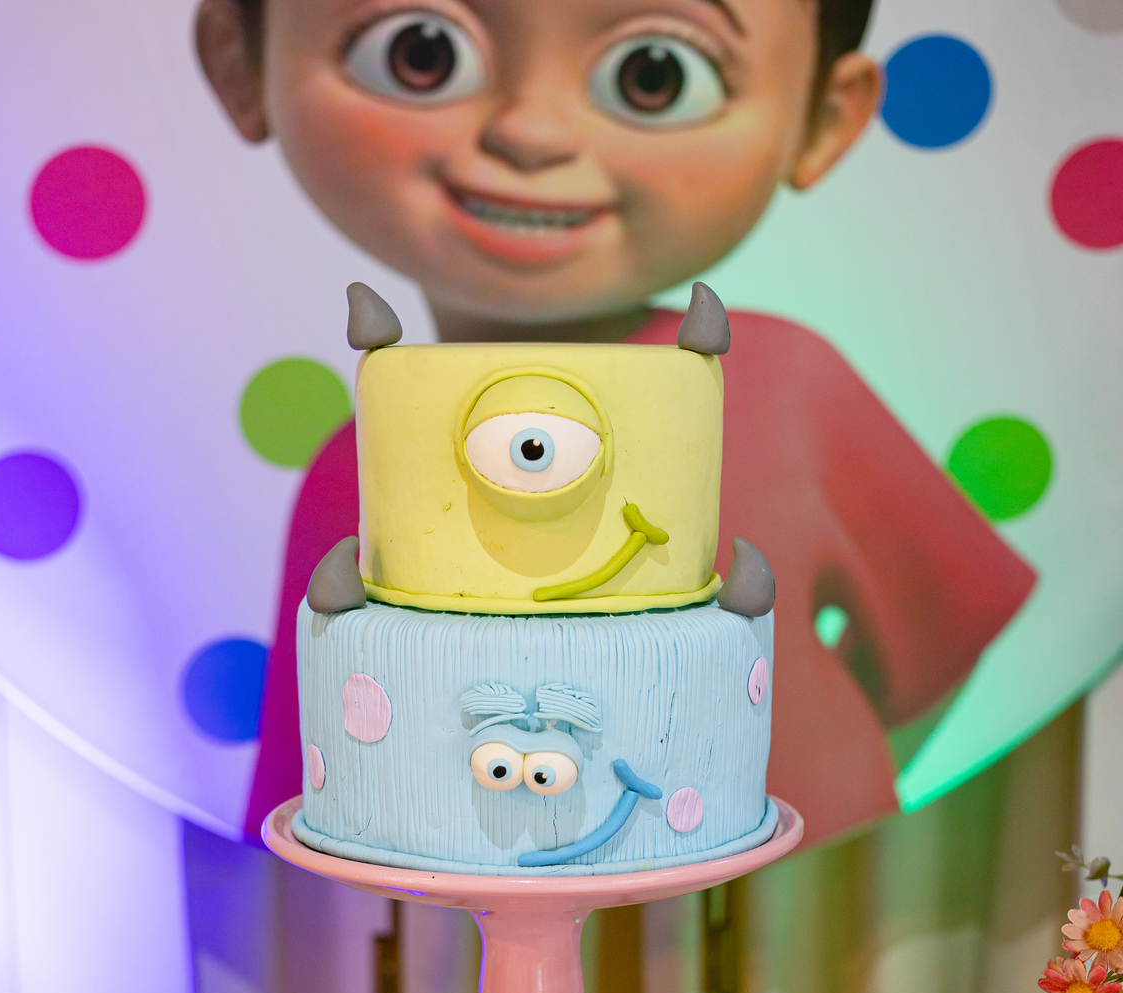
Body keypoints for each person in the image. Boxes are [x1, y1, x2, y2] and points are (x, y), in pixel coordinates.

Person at [195, 0, 1034, 846]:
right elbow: (312, 779)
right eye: (422, 53)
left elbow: (945, 633)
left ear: (825, 117)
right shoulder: (355, 468)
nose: (532, 132)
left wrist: (828, 796)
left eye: (653, 75)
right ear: (240, 61)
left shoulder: (787, 384)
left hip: (794, 897)